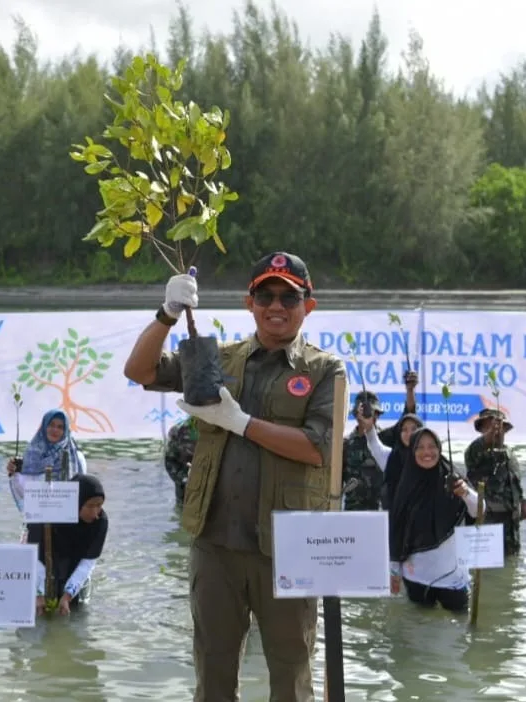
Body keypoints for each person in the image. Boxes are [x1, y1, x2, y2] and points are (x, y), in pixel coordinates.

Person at [123, 252, 346, 702]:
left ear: (309, 306)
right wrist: (167, 314)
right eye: (266, 295)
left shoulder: (325, 370)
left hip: (287, 548)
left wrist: (240, 423)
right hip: (216, 544)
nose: (276, 305)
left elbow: (318, 448)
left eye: (289, 297)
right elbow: (140, 370)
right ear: (249, 303)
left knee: (291, 676)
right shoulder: (217, 358)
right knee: (213, 672)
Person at [388, 427, 479, 612]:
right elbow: (397, 530)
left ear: (439, 448)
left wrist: (466, 493)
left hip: (453, 577)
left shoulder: (455, 480)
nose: (426, 452)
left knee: (459, 624)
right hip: (416, 576)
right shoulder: (405, 485)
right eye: (420, 447)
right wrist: (394, 571)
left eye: (431, 446)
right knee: (420, 624)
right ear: (412, 451)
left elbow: (479, 510)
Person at [26, 474, 108, 616]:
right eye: (90, 506)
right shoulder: (44, 513)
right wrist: (38, 593)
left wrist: (68, 595)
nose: (95, 513)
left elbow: (87, 562)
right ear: (76, 502)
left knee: (76, 615)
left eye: (99, 506)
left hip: (75, 567)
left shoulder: (100, 521)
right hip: (43, 565)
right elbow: (34, 556)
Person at [464, 408, 526, 555]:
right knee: (486, 564)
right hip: (487, 525)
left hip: (511, 526)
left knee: (511, 564)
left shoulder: (510, 454)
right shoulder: (476, 452)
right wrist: (491, 433)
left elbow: (514, 482)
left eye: (500, 427)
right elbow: (476, 450)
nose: (496, 431)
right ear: (482, 430)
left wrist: (524, 499)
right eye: (489, 427)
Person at [342, 391, 386, 511]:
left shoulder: (385, 440)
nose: (371, 417)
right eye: (366, 412)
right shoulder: (346, 444)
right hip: (352, 511)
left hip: (379, 511)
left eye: (374, 413)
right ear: (357, 414)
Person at [165, 415, 197, 505]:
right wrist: (186, 479)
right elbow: (170, 461)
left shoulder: (226, 429)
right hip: (186, 496)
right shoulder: (178, 430)